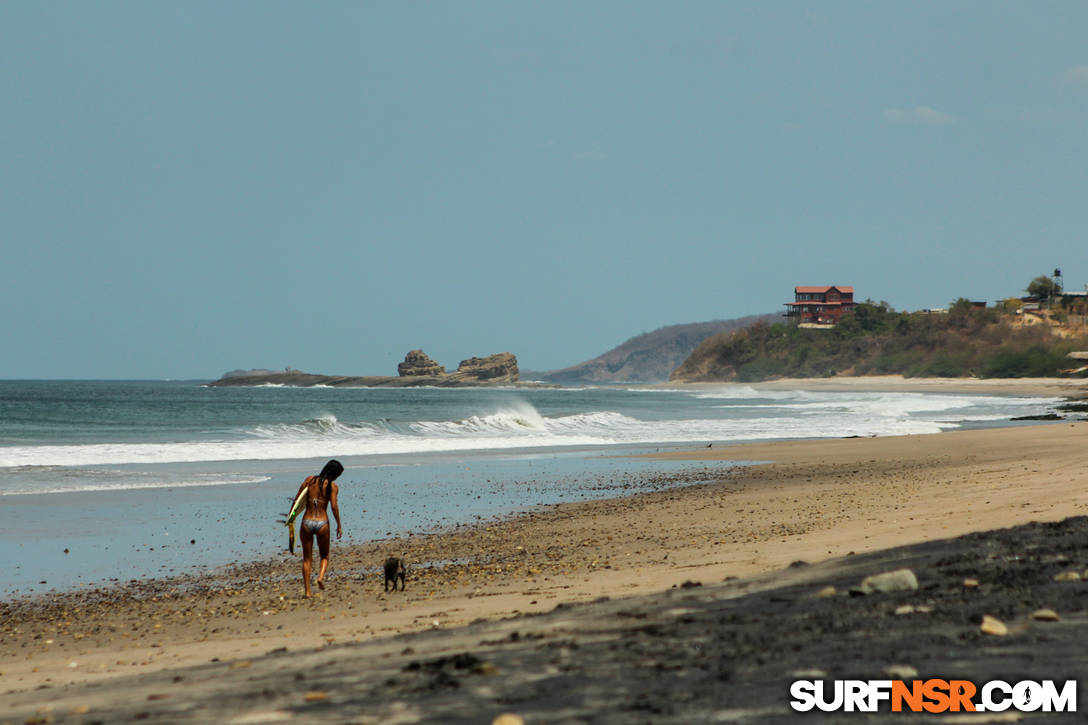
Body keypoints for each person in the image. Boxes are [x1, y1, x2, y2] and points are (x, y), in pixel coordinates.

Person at [293, 459, 344, 597]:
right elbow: (334, 507)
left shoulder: (309, 480)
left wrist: (291, 517)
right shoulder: (333, 487)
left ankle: (308, 592)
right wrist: (339, 524)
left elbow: (297, 501)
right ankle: (320, 577)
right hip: (322, 523)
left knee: (307, 559)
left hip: (307, 521)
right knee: (324, 555)